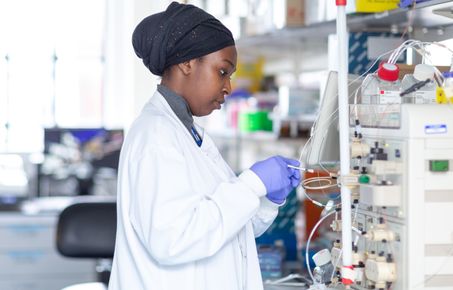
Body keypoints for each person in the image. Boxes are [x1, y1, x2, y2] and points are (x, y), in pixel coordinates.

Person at [108, 2, 301, 290]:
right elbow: (172, 240)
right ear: (187, 63)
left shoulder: (191, 135)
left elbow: (227, 231)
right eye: (222, 72)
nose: (229, 87)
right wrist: (250, 184)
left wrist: (266, 199)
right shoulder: (156, 135)